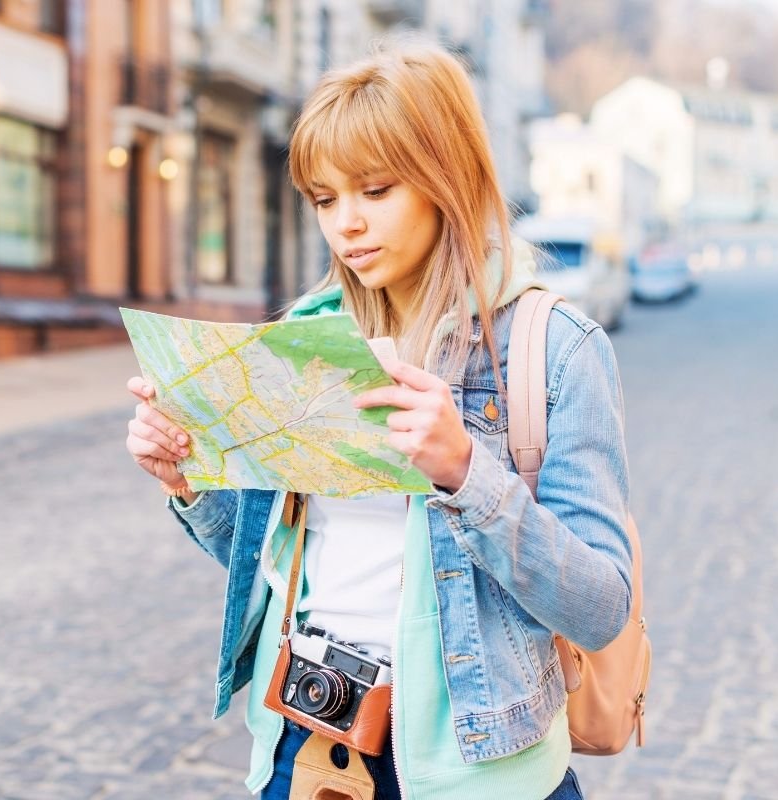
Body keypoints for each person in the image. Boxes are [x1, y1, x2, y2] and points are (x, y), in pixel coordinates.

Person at [124, 37, 632, 800]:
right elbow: (274, 566)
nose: (346, 225)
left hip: (478, 767)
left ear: (444, 179)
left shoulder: (552, 350)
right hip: (309, 744)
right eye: (325, 199)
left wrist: (466, 473)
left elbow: (601, 608)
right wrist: (189, 481)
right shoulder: (304, 338)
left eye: (376, 189)